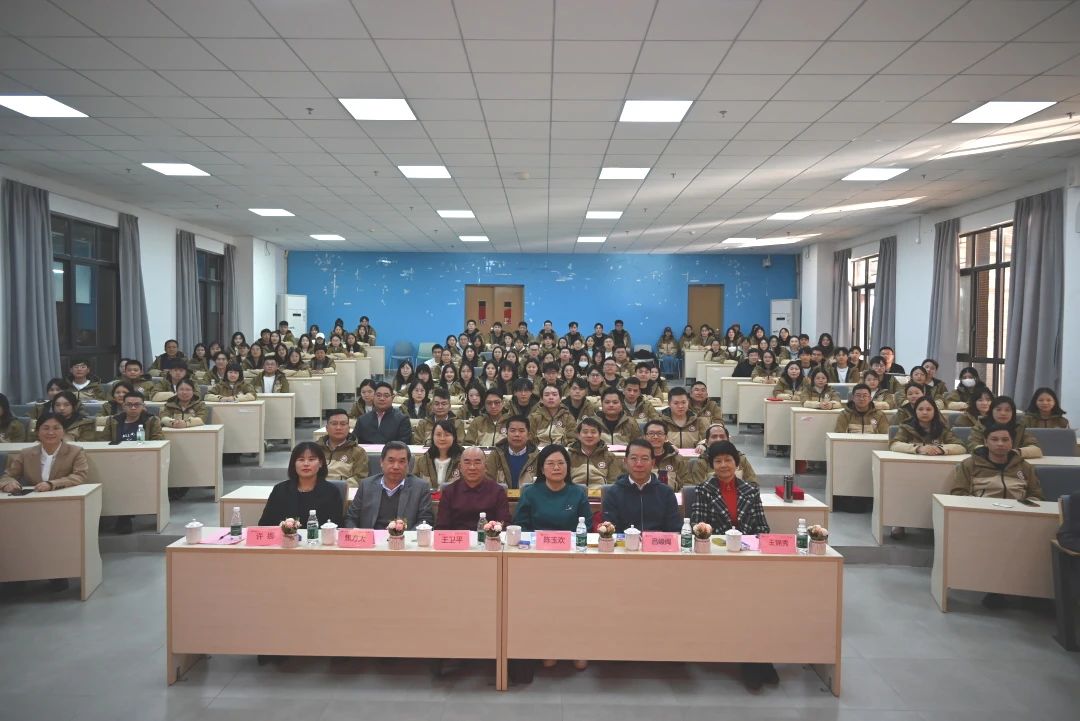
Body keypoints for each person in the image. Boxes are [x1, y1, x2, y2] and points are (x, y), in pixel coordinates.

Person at [690, 441, 770, 538]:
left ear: (736, 463)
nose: (723, 465)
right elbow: (697, 526)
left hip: (747, 545)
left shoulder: (751, 490)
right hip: (715, 544)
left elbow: (762, 527)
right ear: (712, 465)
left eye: (728, 460)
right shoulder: (703, 490)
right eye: (718, 461)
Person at [343, 442, 433, 528]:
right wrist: (356, 532)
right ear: (381, 462)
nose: (396, 466)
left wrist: (407, 536)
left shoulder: (420, 487)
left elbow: (425, 521)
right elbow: (350, 518)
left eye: (401, 461)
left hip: (404, 538)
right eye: (391, 461)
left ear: (408, 464)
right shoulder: (366, 485)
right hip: (370, 537)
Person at [601, 438, 681, 533]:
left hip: (658, 542)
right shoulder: (613, 493)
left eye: (644, 459)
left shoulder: (666, 493)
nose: (639, 464)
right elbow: (610, 531)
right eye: (633, 458)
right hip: (624, 542)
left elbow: (674, 530)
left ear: (653, 463)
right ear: (625, 461)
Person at [258, 441, 345, 528]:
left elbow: (338, 527)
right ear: (294, 464)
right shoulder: (280, 490)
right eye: (301, 459)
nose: (306, 464)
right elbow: (264, 524)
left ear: (320, 463)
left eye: (311, 459)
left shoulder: (331, 492)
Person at [951, 423, 1043, 500]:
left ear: (1012, 443)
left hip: (1018, 512)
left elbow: (1036, 495)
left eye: (1005, 440)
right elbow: (959, 493)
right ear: (986, 442)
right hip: (981, 511)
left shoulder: (1024, 466)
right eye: (994, 439)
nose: (1000, 444)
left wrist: (1025, 507)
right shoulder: (969, 464)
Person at [512, 444, 591, 531]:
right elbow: (520, 526)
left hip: (571, 540)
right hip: (536, 539)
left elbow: (587, 526)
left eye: (561, 463)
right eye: (550, 463)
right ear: (542, 469)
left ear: (567, 466)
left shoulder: (578, 493)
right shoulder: (529, 493)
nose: (556, 468)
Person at [435, 446, 511, 529]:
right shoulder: (449, 492)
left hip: (488, 536)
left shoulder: (497, 491)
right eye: (467, 463)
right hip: (458, 536)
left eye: (477, 462)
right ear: (460, 467)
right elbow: (441, 527)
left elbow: (504, 524)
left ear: (485, 467)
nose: (472, 467)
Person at [890, 397, 967, 456]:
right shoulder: (906, 427)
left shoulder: (942, 427)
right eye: (920, 409)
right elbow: (894, 445)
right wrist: (918, 448)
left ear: (935, 412)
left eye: (929, 409)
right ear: (915, 412)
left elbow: (961, 447)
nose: (924, 412)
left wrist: (941, 449)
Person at [969, 396, 1042, 458]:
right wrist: (994, 453)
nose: (1003, 413)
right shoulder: (981, 427)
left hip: (1013, 465)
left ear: (1013, 413)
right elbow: (973, 446)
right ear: (991, 411)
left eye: (1007, 410)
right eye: (998, 409)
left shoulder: (1020, 428)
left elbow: (1036, 450)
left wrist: (1014, 453)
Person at [690, 423, 757, 484]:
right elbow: (698, 488)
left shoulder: (740, 458)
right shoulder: (701, 463)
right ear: (707, 442)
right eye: (714, 437)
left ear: (728, 440)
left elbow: (753, 483)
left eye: (722, 436)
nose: (718, 439)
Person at [319, 409, 369, 488]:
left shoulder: (358, 452)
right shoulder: (315, 449)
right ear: (327, 428)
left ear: (348, 428)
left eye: (343, 424)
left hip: (344, 492)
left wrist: (336, 488)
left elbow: (360, 478)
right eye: (334, 424)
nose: (338, 427)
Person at [567, 417, 622, 487]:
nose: (589, 435)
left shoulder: (609, 457)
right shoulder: (568, 456)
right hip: (575, 492)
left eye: (593, 432)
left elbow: (614, 483)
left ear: (600, 436)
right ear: (578, 435)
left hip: (601, 493)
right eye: (585, 432)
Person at [485, 416, 539, 488]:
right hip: (501, 495)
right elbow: (487, 482)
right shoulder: (495, 455)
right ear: (506, 433)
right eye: (512, 431)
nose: (517, 434)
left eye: (521, 431)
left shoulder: (537, 456)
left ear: (528, 435)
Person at [413, 419, 465, 488]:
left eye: (447, 435)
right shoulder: (422, 461)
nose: (442, 438)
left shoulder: (464, 460)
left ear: (454, 437)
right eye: (438, 435)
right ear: (432, 437)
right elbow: (413, 483)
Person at [641, 419, 692, 489]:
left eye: (659, 433)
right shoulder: (637, 459)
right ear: (644, 437)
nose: (655, 437)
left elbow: (687, 485)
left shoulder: (678, 459)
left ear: (666, 438)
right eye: (651, 433)